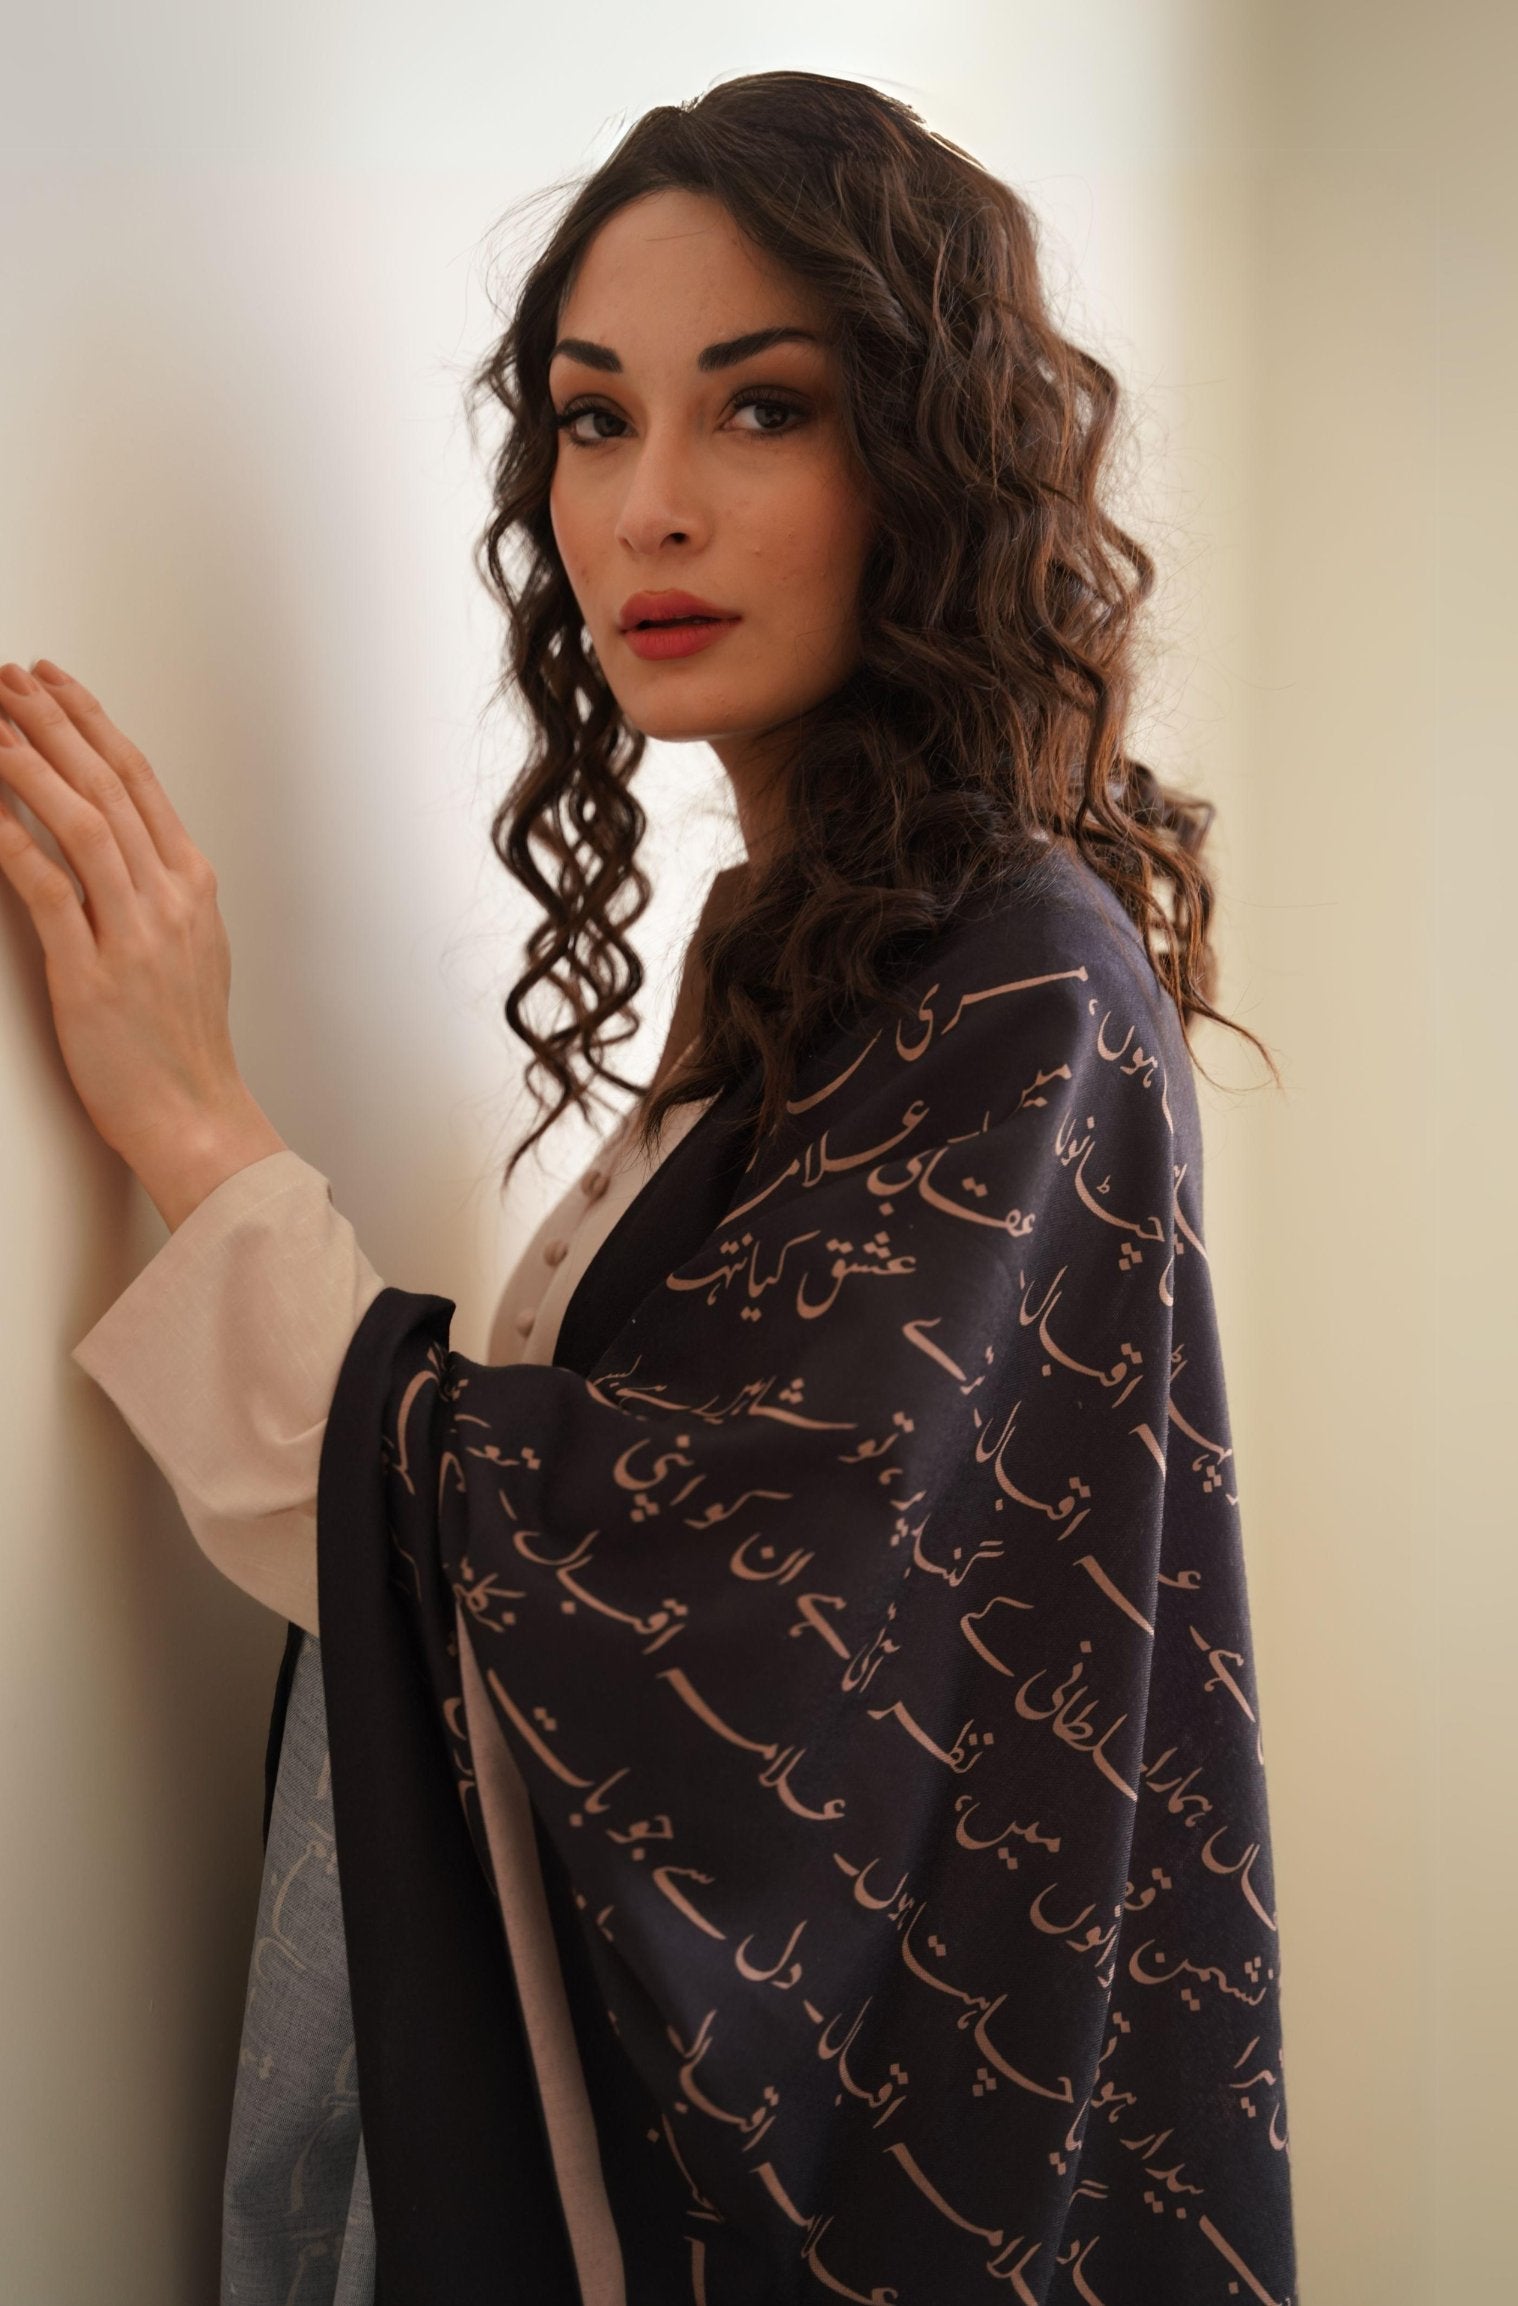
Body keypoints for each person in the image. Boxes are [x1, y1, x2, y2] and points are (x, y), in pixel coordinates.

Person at [0, 70, 1298, 2306]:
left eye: (762, 409)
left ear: (932, 463)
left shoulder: (1017, 980)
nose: (648, 508)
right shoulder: (833, 955)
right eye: (594, 421)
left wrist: (201, 1131)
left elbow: (713, 1628)